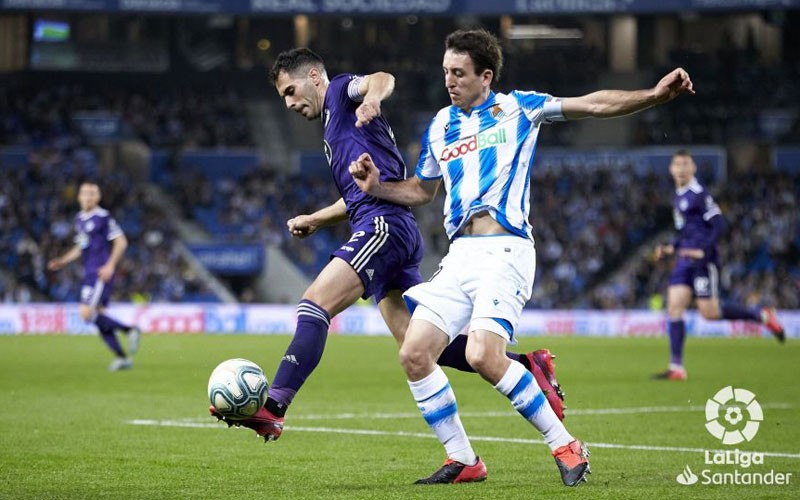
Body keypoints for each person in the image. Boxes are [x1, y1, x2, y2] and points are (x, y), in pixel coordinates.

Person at [349, 28, 695, 486]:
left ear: (486, 75)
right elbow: (422, 190)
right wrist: (377, 189)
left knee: (483, 355)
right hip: (461, 255)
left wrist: (652, 96)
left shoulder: (519, 107)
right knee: (413, 352)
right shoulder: (440, 125)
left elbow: (591, 103)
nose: (449, 81)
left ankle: (566, 445)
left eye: (459, 73)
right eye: (445, 72)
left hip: (506, 249)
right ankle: (464, 460)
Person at [209, 47, 566, 442]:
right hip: (387, 224)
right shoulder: (333, 125)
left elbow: (381, 77)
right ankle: (527, 365)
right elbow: (356, 196)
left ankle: (274, 407)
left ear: (313, 77)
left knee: (315, 304)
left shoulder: (342, 92)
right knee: (418, 343)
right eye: (284, 99)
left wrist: (373, 99)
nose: (290, 103)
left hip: (383, 226)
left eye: (291, 91)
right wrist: (316, 218)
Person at [652, 150, 785, 381]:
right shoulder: (678, 196)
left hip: (703, 261)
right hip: (684, 260)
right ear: (671, 169)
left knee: (710, 313)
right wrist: (670, 247)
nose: (681, 168)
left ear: (693, 168)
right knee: (674, 308)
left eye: (686, 164)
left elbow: (718, 224)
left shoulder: (699, 194)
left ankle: (761, 315)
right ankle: (676, 368)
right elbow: (685, 232)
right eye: (677, 164)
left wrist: (703, 249)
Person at [47, 181, 141, 371]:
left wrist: (110, 265)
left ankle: (129, 330)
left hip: (100, 273)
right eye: (85, 193)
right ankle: (122, 357)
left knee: (86, 313)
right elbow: (81, 247)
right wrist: (63, 261)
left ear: (98, 197)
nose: (88, 196)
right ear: (79, 196)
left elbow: (121, 242)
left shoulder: (103, 217)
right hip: (89, 273)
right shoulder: (80, 219)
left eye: (92, 193)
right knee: (97, 316)